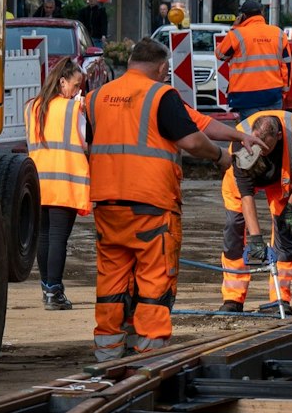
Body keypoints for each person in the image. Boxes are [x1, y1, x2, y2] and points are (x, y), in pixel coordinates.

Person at [85, 37, 260, 363]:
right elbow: (193, 139)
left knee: (112, 279)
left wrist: (238, 135)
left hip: (108, 204)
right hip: (151, 204)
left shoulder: (98, 97)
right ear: (163, 67)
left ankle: (107, 355)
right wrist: (220, 156)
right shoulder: (160, 95)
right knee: (154, 281)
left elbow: (195, 120)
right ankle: (146, 358)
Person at [218, 110, 292, 314]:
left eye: (265, 147)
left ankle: (280, 299)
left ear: (278, 136)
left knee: (286, 232)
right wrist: (255, 238)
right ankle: (233, 300)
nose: (260, 150)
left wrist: (291, 207)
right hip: (239, 185)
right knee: (234, 230)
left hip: (281, 181)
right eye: (256, 144)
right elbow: (246, 196)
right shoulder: (239, 142)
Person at [27, 58, 90, 310]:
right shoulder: (73, 109)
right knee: (57, 239)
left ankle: (47, 289)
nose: (78, 91)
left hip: (39, 182)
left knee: (44, 237)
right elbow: (85, 142)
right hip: (65, 182)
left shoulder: (32, 106)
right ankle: (55, 292)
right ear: (62, 82)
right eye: (76, 85)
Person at [216, 0, 292, 116]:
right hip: (273, 93)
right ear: (261, 13)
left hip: (246, 96)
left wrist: (235, 27)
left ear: (243, 16)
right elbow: (287, 65)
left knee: (251, 132)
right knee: (272, 131)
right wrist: (284, 91)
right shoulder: (278, 33)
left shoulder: (236, 34)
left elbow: (220, 54)